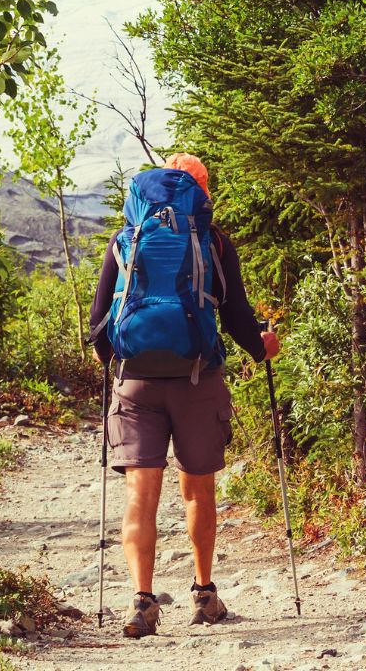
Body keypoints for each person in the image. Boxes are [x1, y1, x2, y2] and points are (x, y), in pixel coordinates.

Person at [89, 152, 280, 639]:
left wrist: (118, 361)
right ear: (202, 193)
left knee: (140, 494)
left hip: (136, 381)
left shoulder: (125, 240)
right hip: (199, 380)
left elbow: (98, 330)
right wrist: (263, 348)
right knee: (198, 490)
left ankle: (141, 603)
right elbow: (236, 316)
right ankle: (203, 594)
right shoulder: (213, 241)